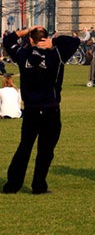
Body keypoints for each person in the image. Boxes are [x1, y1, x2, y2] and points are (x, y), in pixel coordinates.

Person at [3, 27, 82, 194]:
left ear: (30, 40)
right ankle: (38, 185)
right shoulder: (57, 55)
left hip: (31, 109)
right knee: (45, 151)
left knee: (24, 148)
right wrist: (54, 42)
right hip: (50, 109)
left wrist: (25, 31)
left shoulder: (23, 54)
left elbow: (8, 41)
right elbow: (75, 41)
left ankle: (12, 185)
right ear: (46, 38)